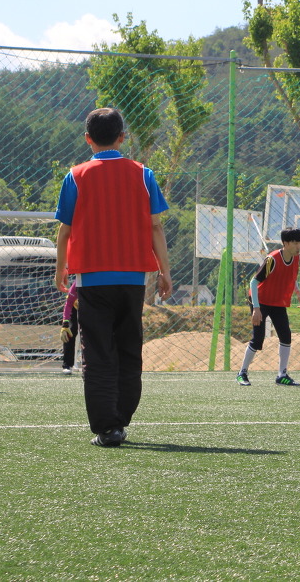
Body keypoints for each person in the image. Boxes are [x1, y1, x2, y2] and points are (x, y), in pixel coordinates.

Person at [55, 107, 173, 447]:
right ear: (122, 137)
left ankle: (108, 428)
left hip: (92, 280)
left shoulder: (75, 176)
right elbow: (155, 227)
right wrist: (165, 271)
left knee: (98, 353)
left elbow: (65, 231)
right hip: (133, 279)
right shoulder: (143, 174)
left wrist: (61, 268)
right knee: (129, 349)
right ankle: (121, 418)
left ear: (88, 139)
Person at [237, 227, 300, 387]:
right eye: (295, 243)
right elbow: (254, 282)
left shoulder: (297, 258)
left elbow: (291, 276)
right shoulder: (272, 260)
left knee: (286, 336)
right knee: (258, 339)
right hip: (260, 300)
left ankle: (282, 375)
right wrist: (256, 309)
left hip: (277, 302)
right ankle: (242, 373)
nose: (298, 246)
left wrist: (298, 292)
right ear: (285, 243)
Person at [59, 279, 79, 375]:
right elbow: (68, 304)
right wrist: (65, 324)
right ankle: (67, 365)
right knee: (69, 331)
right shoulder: (75, 286)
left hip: (92, 309)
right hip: (75, 308)